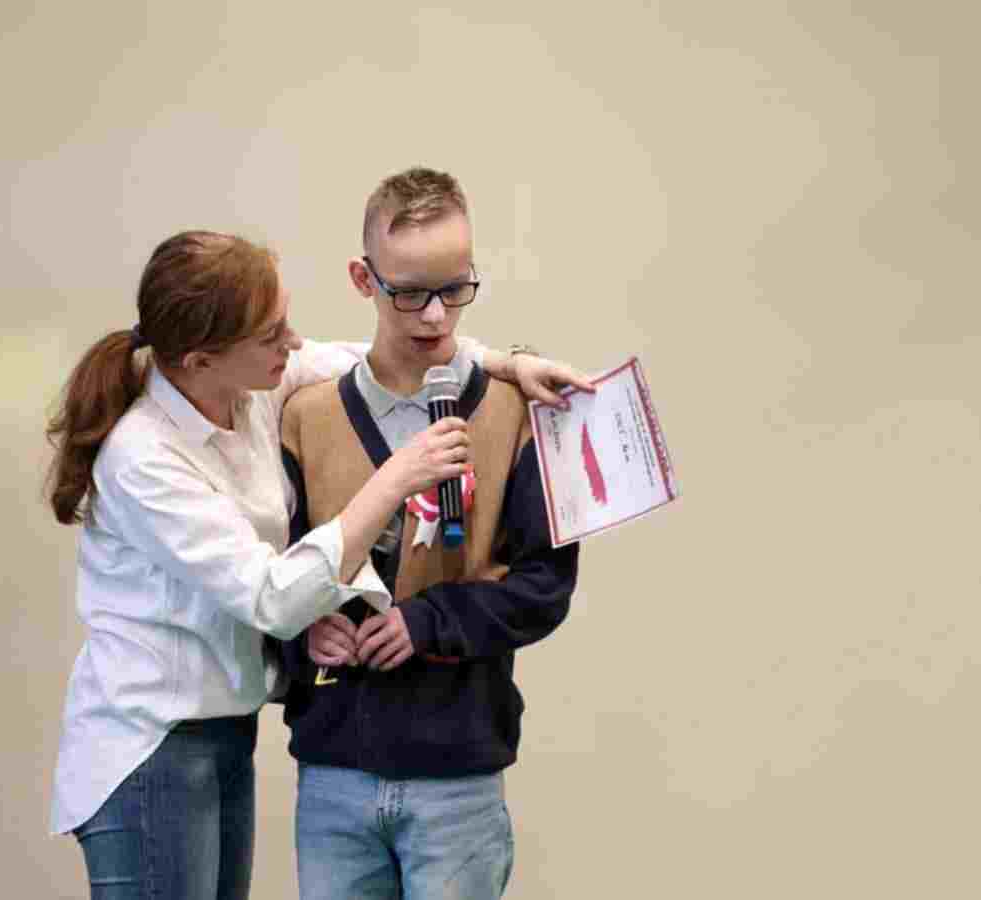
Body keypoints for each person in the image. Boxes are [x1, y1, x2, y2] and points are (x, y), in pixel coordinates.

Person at [44, 228, 590, 900]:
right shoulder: (142, 458)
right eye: (271, 335)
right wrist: (397, 478)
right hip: (150, 745)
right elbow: (270, 597)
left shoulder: (254, 390)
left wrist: (511, 364)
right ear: (202, 359)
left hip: (226, 728)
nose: (294, 343)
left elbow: (381, 357)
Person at [274, 167, 584, 900]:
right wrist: (301, 630)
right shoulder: (305, 417)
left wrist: (427, 622)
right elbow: (261, 576)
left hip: (458, 775)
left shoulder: (518, 413)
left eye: (455, 289)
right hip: (334, 771)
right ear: (364, 279)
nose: (436, 316)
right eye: (410, 293)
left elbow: (544, 588)